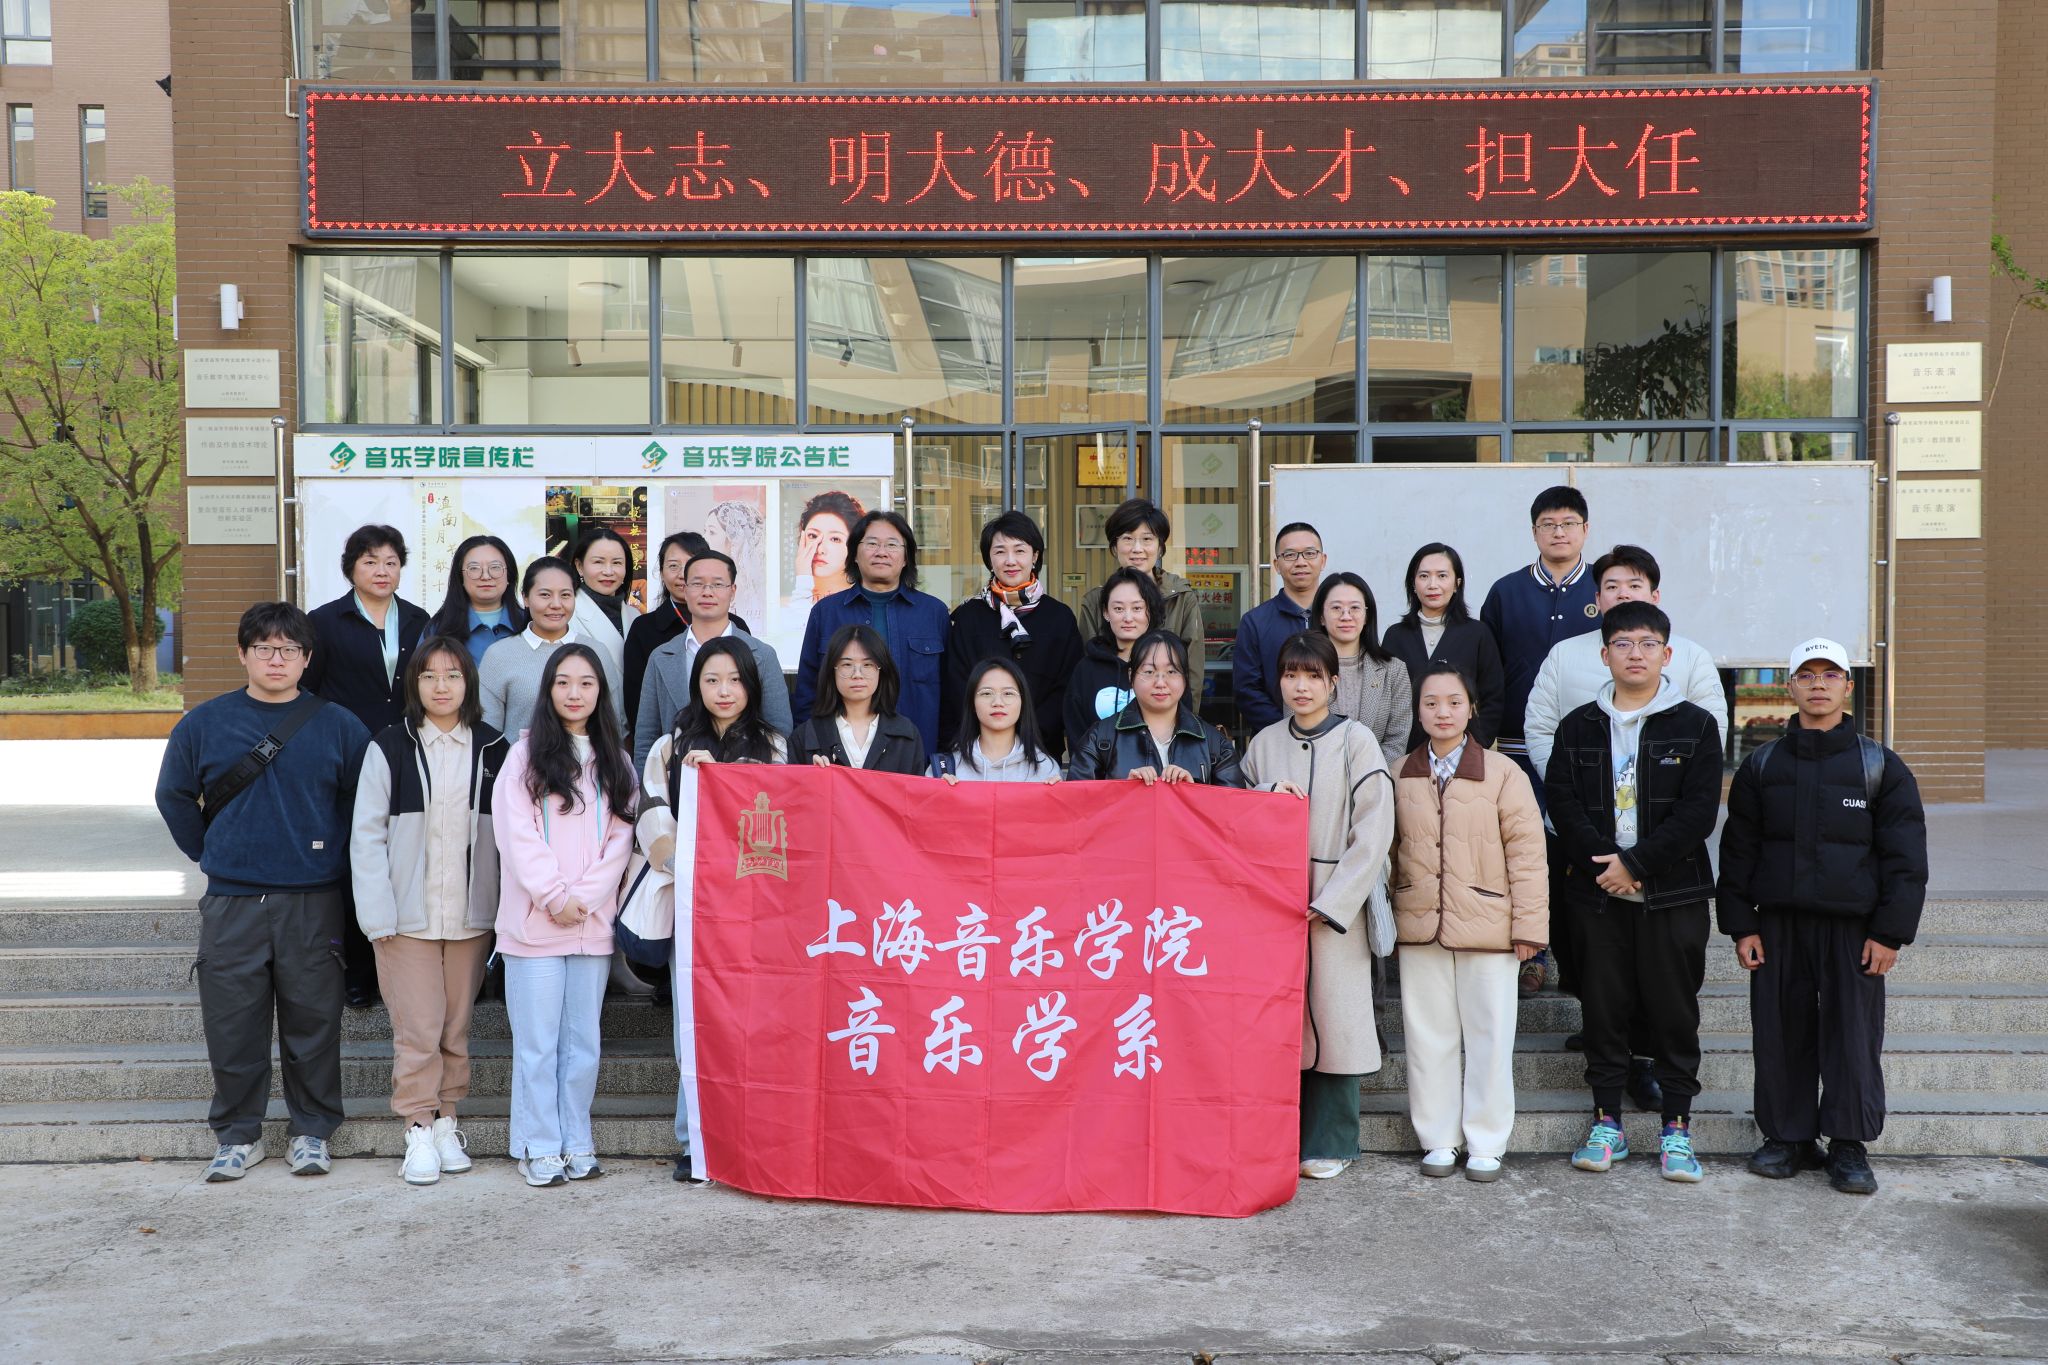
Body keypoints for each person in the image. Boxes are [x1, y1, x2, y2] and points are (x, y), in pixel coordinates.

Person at [154, 601, 372, 1183]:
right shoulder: (205, 723)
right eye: (264, 648)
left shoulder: (339, 725)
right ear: (242, 654)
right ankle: (237, 1136)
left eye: (289, 650)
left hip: (312, 898)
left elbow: (362, 803)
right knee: (233, 1025)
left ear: (306, 658)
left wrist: (332, 854)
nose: (277, 659)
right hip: (232, 901)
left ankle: (312, 1132)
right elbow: (173, 795)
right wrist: (211, 852)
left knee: (313, 1024)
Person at [1718, 638, 1927, 1196]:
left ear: (1848, 686)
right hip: (1779, 927)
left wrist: (1889, 933)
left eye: (1830, 674)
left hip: (1853, 930)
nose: (1818, 684)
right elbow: (1738, 852)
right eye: (1806, 675)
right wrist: (1742, 925)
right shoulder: (1762, 765)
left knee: (1852, 1035)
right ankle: (1786, 1138)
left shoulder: (1879, 766)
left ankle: (1848, 1143)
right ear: (1790, 686)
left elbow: (1906, 860)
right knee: (1780, 1033)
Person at [1544, 601, 1723, 1184]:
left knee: (1674, 1013)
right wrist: (1608, 866)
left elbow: (1698, 813)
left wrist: (1636, 864)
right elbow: (1564, 804)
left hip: (1672, 896)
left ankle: (1677, 1127)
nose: (1635, 654)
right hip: (1598, 896)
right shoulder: (1578, 726)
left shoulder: (1696, 726)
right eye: (1623, 644)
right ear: (1605, 655)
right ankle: (1607, 1123)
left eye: (1647, 644)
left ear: (1667, 654)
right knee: (1603, 1011)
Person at [1524, 543, 1729, 1021]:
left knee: (1664, 966)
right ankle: (1603, 1036)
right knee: (1590, 954)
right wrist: (1573, 794)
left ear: (1655, 594)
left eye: (1634, 585)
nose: (1622, 593)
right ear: (1596, 597)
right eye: (1611, 586)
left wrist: (1641, 855)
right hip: (1584, 837)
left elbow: (1710, 735)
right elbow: (1541, 728)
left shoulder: (1689, 656)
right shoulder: (1565, 654)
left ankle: (1652, 1046)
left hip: (1665, 843)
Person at [348, 635, 509, 1186]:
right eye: (429, 676)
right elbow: (366, 835)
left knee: (455, 1028)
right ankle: (417, 1128)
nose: (442, 686)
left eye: (453, 675)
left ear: (469, 683)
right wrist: (378, 915)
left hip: (470, 914)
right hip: (406, 918)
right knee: (417, 1028)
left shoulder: (494, 747)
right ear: (414, 684)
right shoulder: (390, 746)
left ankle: (446, 1121)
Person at [1240, 632, 1394, 1180]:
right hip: (1274, 907)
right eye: (1290, 675)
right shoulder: (1263, 743)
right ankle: (1280, 1138)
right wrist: (1265, 796)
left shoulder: (1357, 740)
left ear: (1333, 682)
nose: (1300, 687)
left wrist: (1335, 901)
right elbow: (1236, 815)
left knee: (1336, 1020)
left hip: (1335, 906)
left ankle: (1333, 1141)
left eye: (1312, 676)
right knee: (1281, 1022)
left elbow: (1374, 830)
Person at [636, 636, 789, 1183]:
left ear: (753, 685)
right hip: (694, 906)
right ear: (695, 685)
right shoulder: (671, 747)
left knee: (755, 1025)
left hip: (755, 911)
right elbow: (652, 815)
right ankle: (695, 1141)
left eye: (735, 679)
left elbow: (781, 821)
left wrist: (728, 776)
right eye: (711, 680)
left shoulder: (773, 746)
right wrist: (689, 868)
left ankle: (754, 1137)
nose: (724, 691)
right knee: (694, 1024)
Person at [1391, 664, 1548, 1183]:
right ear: (1418, 711)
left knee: (1490, 1037)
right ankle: (1437, 1138)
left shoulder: (1503, 773)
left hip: (1490, 928)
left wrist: (1529, 929)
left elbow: (1528, 855)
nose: (1443, 712)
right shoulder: (1399, 773)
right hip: (1420, 925)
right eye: (1431, 703)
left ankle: (1486, 1140)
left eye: (1454, 702)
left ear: (1472, 709)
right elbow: (1387, 852)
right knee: (1427, 1037)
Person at [492, 643, 637, 1188]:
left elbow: (621, 839)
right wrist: (555, 896)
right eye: (563, 682)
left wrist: (587, 897)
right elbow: (516, 835)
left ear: (601, 692)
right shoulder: (523, 757)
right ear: (548, 690)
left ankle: (577, 1140)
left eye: (586, 683)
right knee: (537, 1044)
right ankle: (539, 1145)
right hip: (535, 926)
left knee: (583, 1045)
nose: (574, 693)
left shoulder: (616, 760)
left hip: (591, 927)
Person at [307, 524, 432, 1009]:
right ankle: (357, 973)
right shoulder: (324, 621)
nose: (382, 571)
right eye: (370, 561)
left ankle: (397, 970)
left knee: (403, 861)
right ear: (351, 568)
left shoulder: (419, 620)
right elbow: (309, 694)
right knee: (355, 863)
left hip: (408, 756)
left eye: (391, 562)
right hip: (348, 760)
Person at [791, 510, 950, 757]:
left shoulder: (933, 612)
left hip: (916, 754)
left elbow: (950, 693)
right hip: (840, 756)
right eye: (872, 544)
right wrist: (809, 750)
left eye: (892, 545)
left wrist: (943, 755)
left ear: (906, 558)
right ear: (854, 554)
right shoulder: (826, 612)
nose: (881, 552)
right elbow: (807, 690)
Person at [940, 510, 1085, 760]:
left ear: (1035, 556)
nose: (1010, 560)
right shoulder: (967, 616)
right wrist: (990, 732)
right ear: (989, 558)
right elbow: (956, 684)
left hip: (1041, 750)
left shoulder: (1059, 617)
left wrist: (1029, 734)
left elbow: (1068, 687)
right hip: (978, 751)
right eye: (1000, 551)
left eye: (1019, 551)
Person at [1481, 485, 1599, 784]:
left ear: (1585, 529)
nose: (1559, 532)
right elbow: (1487, 669)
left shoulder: (1605, 586)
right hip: (1516, 741)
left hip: (1593, 738)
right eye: (1548, 525)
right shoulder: (1505, 591)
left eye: (1568, 523)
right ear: (1534, 532)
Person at [634, 549, 790, 773]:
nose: (707, 592)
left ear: (733, 591)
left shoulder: (763, 655)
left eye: (717, 584)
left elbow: (779, 731)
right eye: (697, 584)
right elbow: (646, 737)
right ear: (685, 589)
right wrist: (647, 786)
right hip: (676, 783)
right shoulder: (661, 657)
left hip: (746, 784)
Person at [1068, 630, 1243, 787]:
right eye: (1149, 672)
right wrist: (1124, 791)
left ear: (1185, 678)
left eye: (1171, 672)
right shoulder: (1100, 739)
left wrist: (1193, 793)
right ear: (1131, 676)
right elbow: (1077, 803)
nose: (1160, 683)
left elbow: (1234, 808)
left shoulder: (1215, 744)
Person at [1381, 542, 1505, 753]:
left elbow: (1493, 697)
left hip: (1464, 753)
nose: (1432, 584)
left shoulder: (1477, 634)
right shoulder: (1395, 635)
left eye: (1442, 576)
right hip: (1405, 753)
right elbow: (1386, 699)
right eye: (1424, 576)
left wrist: (1475, 745)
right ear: (1413, 584)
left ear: (1457, 583)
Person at [480, 557, 624, 737]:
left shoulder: (597, 652)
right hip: (517, 755)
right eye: (545, 595)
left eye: (565, 595)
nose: (556, 605)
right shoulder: (499, 655)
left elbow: (612, 726)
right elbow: (487, 735)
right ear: (525, 598)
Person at [625, 531, 753, 732]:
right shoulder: (644, 628)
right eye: (673, 566)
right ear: (661, 572)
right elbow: (637, 703)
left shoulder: (736, 626)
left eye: (690, 564)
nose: (682, 574)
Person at [1077, 498, 1208, 683]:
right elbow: (1087, 669)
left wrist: (1185, 704)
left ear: (1160, 547)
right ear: (1114, 547)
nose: (1137, 549)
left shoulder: (1182, 597)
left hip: (1167, 698)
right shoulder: (1095, 601)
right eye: (1127, 539)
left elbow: (1193, 669)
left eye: (1147, 539)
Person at [789, 624, 930, 774]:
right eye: (847, 664)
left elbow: (916, 788)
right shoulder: (805, 736)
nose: (857, 674)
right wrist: (812, 777)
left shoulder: (906, 735)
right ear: (832, 671)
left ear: (881, 671)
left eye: (868, 664)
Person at [1233, 523, 1327, 732]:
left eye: (1309, 553)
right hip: (1275, 737)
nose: (1300, 562)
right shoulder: (1255, 622)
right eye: (1290, 555)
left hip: (1335, 736)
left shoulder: (1339, 617)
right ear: (1276, 564)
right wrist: (1287, 730)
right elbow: (1247, 690)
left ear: (1323, 560)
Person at [1310, 571, 1410, 768]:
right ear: (1321, 616)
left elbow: (1397, 740)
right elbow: (1296, 732)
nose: (1346, 616)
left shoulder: (1394, 670)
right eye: (1336, 608)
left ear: (1366, 616)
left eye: (1355, 608)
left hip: (1374, 777)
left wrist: (1366, 775)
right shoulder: (1303, 670)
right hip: (1316, 776)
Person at [1064, 567, 1165, 755]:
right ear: (1106, 612)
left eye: (1137, 608)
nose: (1128, 617)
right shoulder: (1086, 670)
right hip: (1100, 772)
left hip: (1158, 771)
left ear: (1150, 611)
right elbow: (1077, 734)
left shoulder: (1167, 665)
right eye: (1118, 608)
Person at [933, 659, 1063, 784]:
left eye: (1008, 693)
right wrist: (939, 790)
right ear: (972, 703)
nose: (998, 702)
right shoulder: (945, 768)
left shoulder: (1046, 769)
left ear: (1023, 703)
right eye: (986, 693)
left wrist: (1058, 793)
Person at [419, 534, 526, 666]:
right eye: (474, 568)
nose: (485, 576)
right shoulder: (438, 629)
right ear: (460, 577)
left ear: (509, 575)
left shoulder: (529, 624)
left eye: (495, 567)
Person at [566, 526, 640, 681]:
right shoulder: (567, 614)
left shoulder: (635, 616)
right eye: (598, 562)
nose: (608, 571)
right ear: (580, 566)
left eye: (617, 563)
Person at [792, 490, 863, 602]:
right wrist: (803, 583)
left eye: (835, 539)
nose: (820, 549)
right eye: (813, 536)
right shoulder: (783, 606)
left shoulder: (860, 603)